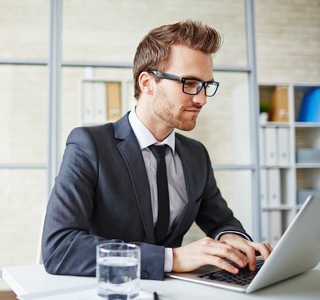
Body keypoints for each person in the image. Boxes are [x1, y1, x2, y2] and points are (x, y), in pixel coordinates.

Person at [41, 20, 272, 281]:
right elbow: (60, 248)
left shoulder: (196, 155)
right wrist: (172, 258)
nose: (201, 99)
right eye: (190, 83)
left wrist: (232, 238)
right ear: (147, 82)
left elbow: (220, 220)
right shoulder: (89, 145)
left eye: (206, 85)